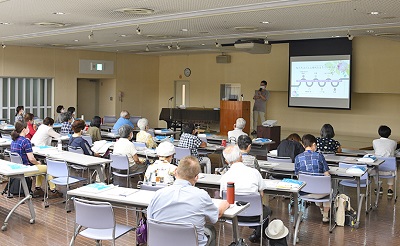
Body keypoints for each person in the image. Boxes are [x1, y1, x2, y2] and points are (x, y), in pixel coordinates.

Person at [147, 156, 230, 246]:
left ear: (175, 172)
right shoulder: (201, 195)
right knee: (211, 230)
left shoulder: (158, 194)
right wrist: (225, 203)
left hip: (161, 243)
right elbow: (216, 215)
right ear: (196, 177)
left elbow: (150, 220)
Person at [220, 145, 271, 243]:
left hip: (232, 215)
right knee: (267, 210)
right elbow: (261, 194)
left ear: (226, 161)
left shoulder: (225, 177)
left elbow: (223, 197)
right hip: (254, 215)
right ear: (241, 156)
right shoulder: (254, 173)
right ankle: (258, 234)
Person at [10, 121, 61, 198]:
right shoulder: (26, 141)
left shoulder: (14, 141)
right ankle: (53, 190)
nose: (28, 129)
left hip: (18, 168)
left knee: (40, 168)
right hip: (27, 169)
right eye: (27, 127)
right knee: (47, 168)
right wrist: (37, 162)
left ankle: (38, 188)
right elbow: (31, 159)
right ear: (24, 129)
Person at [295, 134, 330, 222]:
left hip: (304, 192)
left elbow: (298, 176)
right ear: (314, 145)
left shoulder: (297, 158)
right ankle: (325, 215)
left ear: (303, 145)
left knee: (317, 185)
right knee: (328, 187)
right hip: (320, 193)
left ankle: (321, 208)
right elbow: (327, 175)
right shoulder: (319, 156)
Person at [372, 125, 397, 196]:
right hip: (389, 170)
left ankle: (379, 187)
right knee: (391, 165)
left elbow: (376, 150)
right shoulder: (394, 142)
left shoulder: (375, 141)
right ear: (390, 133)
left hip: (378, 168)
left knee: (374, 167)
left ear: (379, 133)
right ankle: (390, 188)